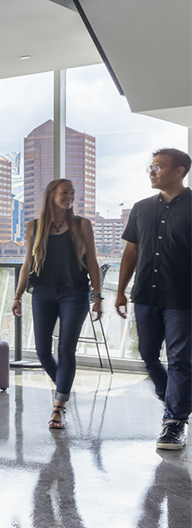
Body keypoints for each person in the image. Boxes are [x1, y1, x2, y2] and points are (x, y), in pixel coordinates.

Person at [12, 178, 102, 430]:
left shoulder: (81, 224)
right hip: (42, 292)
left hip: (74, 292)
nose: (70, 196)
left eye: (72, 193)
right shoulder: (34, 226)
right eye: (65, 192)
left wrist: (98, 296)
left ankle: (58, 408)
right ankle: (64, 386)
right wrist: (17, 295)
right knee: (42, 351)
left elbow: (92, 261)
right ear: (51, 194)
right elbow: (27, 264)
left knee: (65, 350)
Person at [116, 148, 191, 449]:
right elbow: (131, 252)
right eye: (150, 167)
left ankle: (174, 422)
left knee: (180, 362)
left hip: (183, 298)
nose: (152, 172)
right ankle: (175, 397)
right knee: (147, 355)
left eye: (158, 167)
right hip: (146, 293)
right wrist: (120, 290)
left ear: (180, 171)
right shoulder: (141, 208)